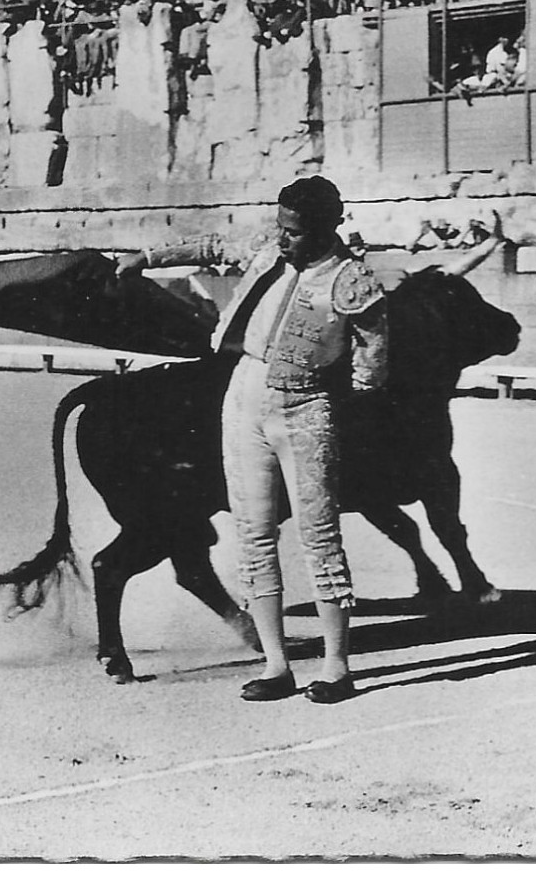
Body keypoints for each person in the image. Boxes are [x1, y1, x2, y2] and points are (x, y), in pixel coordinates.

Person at [115, 176, 387, 704]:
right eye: (281, 227)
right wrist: (146, 256)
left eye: (295, 232)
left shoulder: (352, 282)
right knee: (253, 532)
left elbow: (372, 364)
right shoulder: (267, 251)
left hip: (308, 407)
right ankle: (276, 665)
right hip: (243, 395)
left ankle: (336, 668)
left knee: (318, 536)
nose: (283, 239)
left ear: (326, 229)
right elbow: (211, 246)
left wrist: (333, 398)